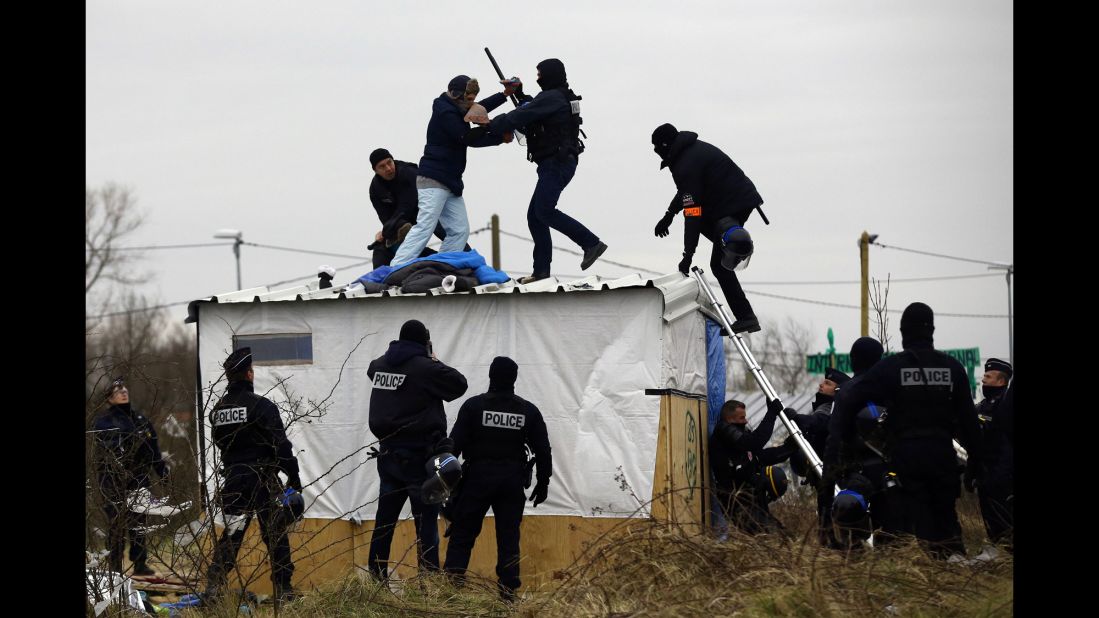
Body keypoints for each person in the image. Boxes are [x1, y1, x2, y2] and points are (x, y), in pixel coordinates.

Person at [825, 303, 983, 559]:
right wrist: (976, 465)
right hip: (943, 458)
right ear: (931, 330)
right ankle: (952, 574)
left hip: (906, 460)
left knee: (906, 533)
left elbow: (848, 401)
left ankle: (912, 582)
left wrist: (834, 460)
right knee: (946, 528)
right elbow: (970, 424)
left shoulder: (891, 368)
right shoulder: (953, 368)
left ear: (903, 332)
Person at [484, 59, 607, 283]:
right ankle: (541, 272)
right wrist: (520, 95)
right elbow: (533, 107)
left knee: (544, 211)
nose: (538, 78)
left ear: (550, 75)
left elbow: (522, 115)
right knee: (535, 216)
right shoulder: (560, 95)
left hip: (557, 163)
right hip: (557, 162)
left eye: (540, 74)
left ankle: (590, 243)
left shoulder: (553, 98)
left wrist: (491, 124)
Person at [442, 357, 552, 601]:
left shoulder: (473, 406)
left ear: (490, 376)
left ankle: (451, 587)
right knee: (509, 537)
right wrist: (544, 481)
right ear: (514, 379)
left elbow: (453, 447)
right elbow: (543, 450)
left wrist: (442, 484)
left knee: (463, 534)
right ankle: (508, 593)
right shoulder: (528, 410)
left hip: (477, 478)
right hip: (511, 481)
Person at [366, 319, 468, 579]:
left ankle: (376, 578)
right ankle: (429, 582)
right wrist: (433, 359)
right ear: (424, 343)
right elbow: (459, 384)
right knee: (426, 526)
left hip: (388, 455)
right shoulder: (425, 368)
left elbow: (373, 372)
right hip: (419, 457)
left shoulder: (378, 365)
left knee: (384, 522)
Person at [205, 348, 304, 602]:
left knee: (232, 535)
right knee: (275, 534)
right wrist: (293, 478)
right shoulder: (262, 406)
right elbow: (282, 447)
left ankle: (214, 587)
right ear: (249, 374)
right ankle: (283, 589)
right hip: (262, 480)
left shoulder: (216, 412)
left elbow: (222, 446)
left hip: (234, 481)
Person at [651, 123, 766, 333]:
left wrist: (688, 254)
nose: (656, 153)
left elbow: (692, 212)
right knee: (720, 263)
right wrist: (669, 215)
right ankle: (746, 316)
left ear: (665, 145)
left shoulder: (685, 163)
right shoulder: (688, 154)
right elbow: (688, 192)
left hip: (734, 203)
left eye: (657, 148)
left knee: (719, 264)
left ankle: (746, 317)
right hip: (738, 200)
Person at [389, 76, 514, 268]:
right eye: (469, 99)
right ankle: (395, 268)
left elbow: (478, 111)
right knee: (425, 227)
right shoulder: (446, 113)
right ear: (457, 96)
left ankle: (440, 267)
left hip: (450, 182)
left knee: (459, 231)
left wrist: (504, 95)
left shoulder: (457, 108)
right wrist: (496, 128)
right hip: (433, 179)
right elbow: (467, 137)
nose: (472, 103)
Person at [92, 376, 170, 576]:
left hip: (139, 480)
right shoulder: (103, 422)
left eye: (124, 388)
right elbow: (107, 451)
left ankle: (140, 563)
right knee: (116, 525)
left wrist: (162, 472)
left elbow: (153, 450)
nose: (123, 391)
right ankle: (115, 567)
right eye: (118, 391)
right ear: (109, 398)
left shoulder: (141, 420)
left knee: (139, 524)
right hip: (113, 482)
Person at [822, 337, 891, 548]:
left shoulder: (848, 392)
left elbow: (834, 439)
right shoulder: (893, 389)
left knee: (847, 505)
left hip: (855, 471)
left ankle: (856, 549)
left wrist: (825, 488)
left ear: (853, 359)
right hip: (892, 470)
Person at [710, 398, 794, 534]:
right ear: (729, 419)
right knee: (767, 535)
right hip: (735, 499)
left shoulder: (742, 436)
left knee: (782, 534)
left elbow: (762, 456)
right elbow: (753, 442)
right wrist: (771, 414)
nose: (746, 421)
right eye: (741, 418)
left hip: (751, 496)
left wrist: (789, 448)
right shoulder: (723, 431)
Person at [787, 367, 850, 546]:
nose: (821, 385)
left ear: (838, 390)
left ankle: (841, 544)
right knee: (825, 512)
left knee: (837, 510)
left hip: (835, 472)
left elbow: (821, 424)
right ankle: (828, 543)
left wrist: (796, 418)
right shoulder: (823, 406)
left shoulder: (834, 408)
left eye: (828, 383)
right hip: (823, 473)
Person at [367, 148, 458, 268]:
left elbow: (408, 204)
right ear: (375, 170)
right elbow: (385, 218)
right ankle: (383, 279)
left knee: (447, 233)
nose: (388, 168)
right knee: (382, 246)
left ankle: (466, 260)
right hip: (404, 220)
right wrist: (387, 232)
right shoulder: (375, 189)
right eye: (382, 166)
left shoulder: (409, 172)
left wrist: (388, 228)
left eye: (389, 162)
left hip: (429, 209)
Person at [974, 358, 1013, 551]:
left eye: (988, 376)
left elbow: (1006, 443)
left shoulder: (1006, 405)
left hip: (1002, 475)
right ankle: (997, 553)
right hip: (984, 474)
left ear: (1001, 381)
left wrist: (1001, 474)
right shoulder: (982, 406)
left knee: (1005, 519)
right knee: (990, 519)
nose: (983, 379)